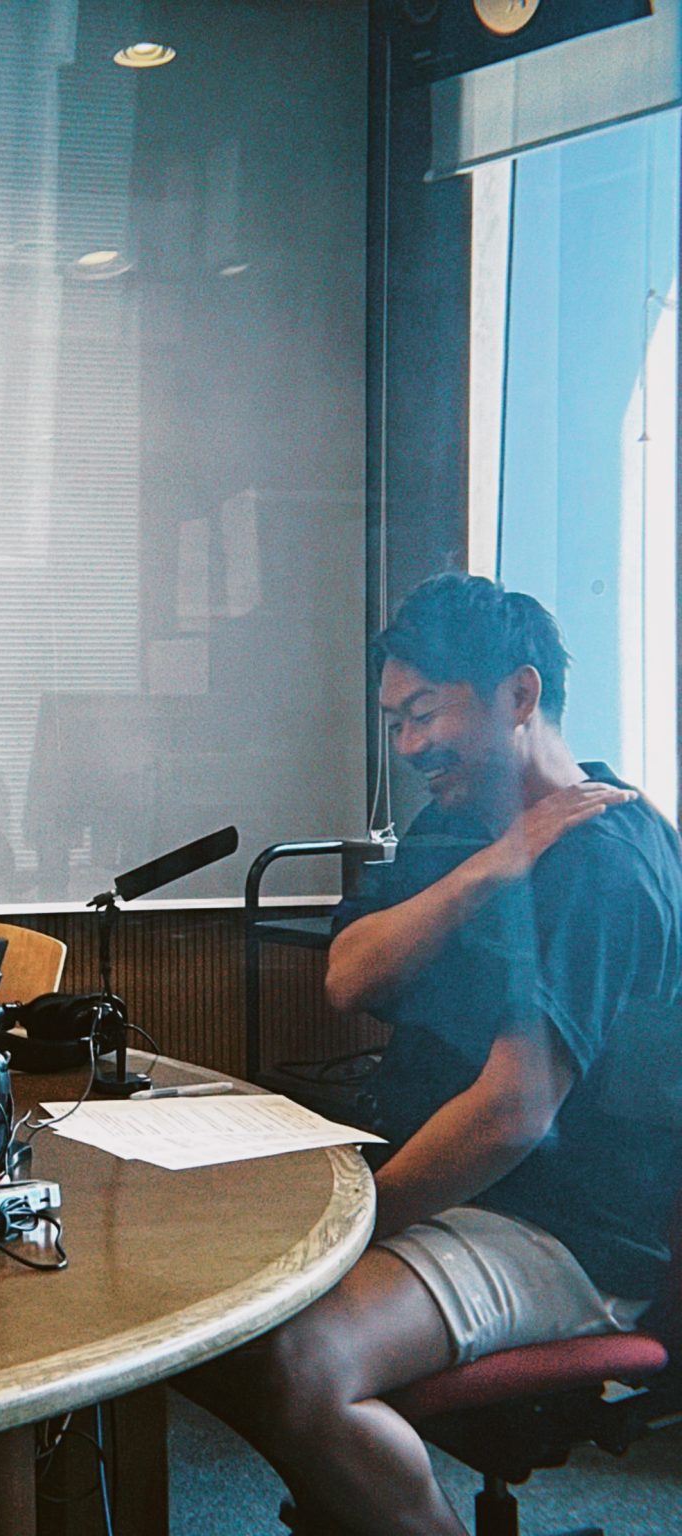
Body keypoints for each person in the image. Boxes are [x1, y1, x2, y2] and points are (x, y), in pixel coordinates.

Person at [178, 573, 682, 1536]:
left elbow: (513, 1114)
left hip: (557, 1228)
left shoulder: (604, 862)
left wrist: (352, 1229)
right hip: (454, 1190)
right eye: (395, 722)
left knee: (295, 1360)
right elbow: (348, 976)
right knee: (201, 1311)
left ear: (520, 694)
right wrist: (493, 864)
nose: (409, 747)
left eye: (425, 714)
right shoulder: (456, 827)